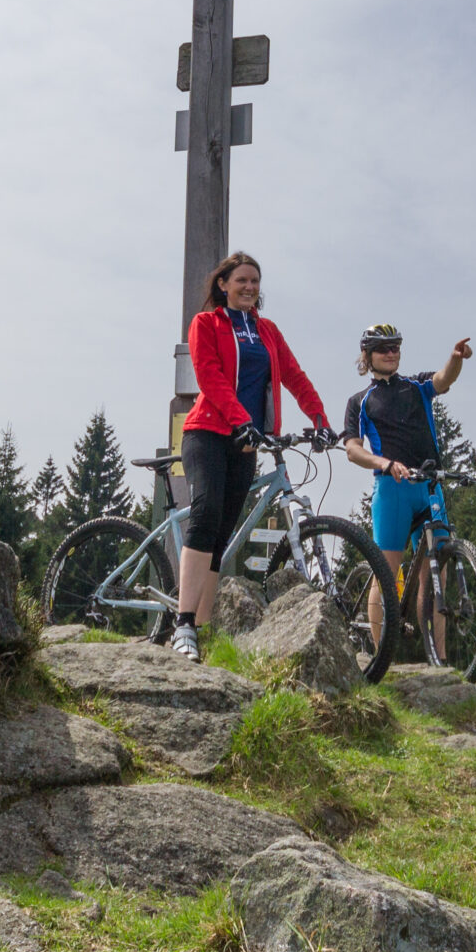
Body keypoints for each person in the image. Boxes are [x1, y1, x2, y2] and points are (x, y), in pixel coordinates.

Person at [173, 251, 332, 659]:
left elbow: (294, 376)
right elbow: (209, 374)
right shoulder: (206, 323)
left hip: (245, 441)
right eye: (241, 280)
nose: (249, 287)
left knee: (224, 533)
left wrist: (319, 418)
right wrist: (241, 417)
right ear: (223, 284)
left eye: (255, 281)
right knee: (206, 514)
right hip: (207, 431)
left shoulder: (268, 331)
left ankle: (201, 632)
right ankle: (183, 623)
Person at [340, 322, 471, 652]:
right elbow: (353, 450)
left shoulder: (416, 385)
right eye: (383, 348)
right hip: (393, 489)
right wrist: (384, 463)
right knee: (386, 574)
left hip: (429, 487)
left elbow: (444, 378)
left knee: (435, 573)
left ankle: (438, 658)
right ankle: (380, 654)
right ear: (368, 356)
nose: (391, 353)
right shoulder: (360, 400)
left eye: (395, 347)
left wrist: (456, 358)